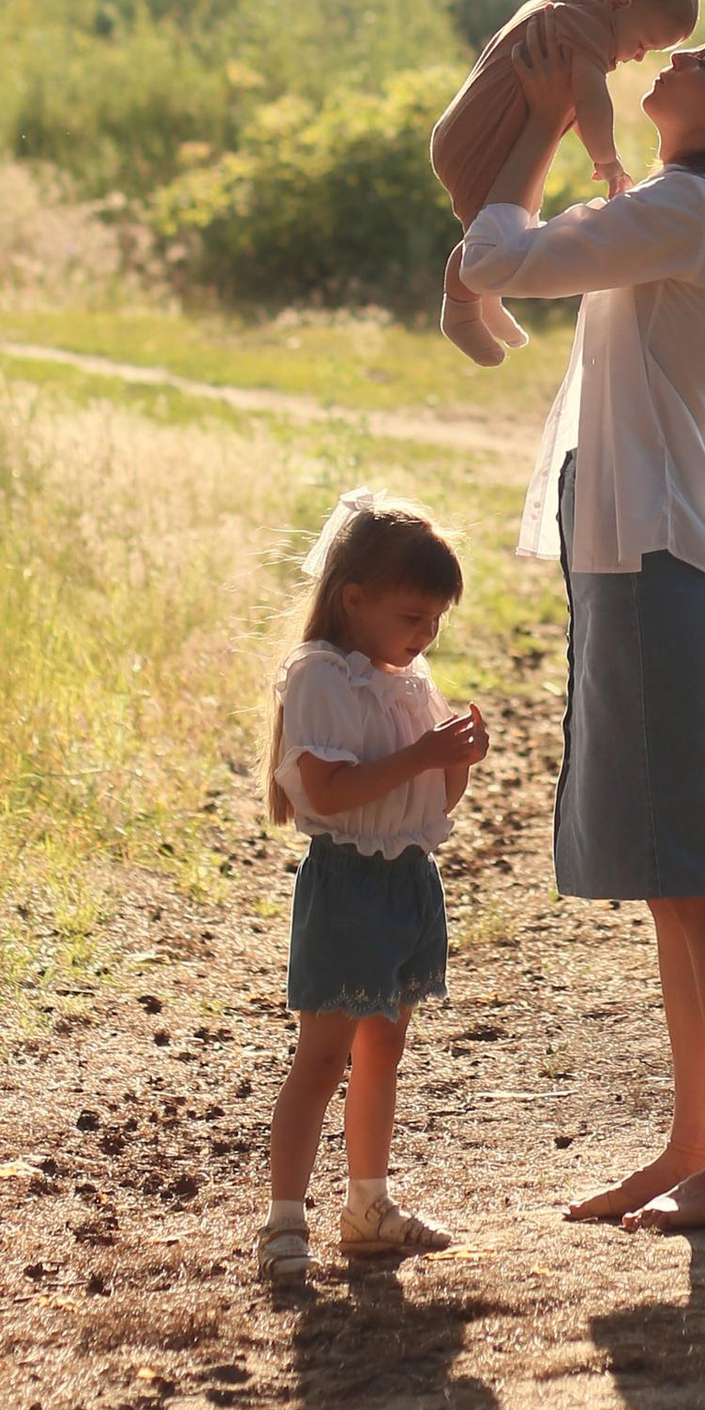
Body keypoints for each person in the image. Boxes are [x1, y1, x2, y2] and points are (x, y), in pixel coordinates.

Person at [457, 17, 705, 1233]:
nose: (673, 65)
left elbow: (493, 260)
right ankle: (698, 1140)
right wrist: (591, 138)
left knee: (701, 876)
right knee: (676, 880)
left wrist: (537, 138)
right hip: (639, 559)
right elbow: (585, 238)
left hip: (662, 560)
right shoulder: (690, 207)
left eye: (702, 64)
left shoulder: (696, 212)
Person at [260, 491, 489, 1291]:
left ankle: (368, 1207)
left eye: (435, 622)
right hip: (349, 883)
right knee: (321, 1056)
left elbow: (432, 804)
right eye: (411, 616)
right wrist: (423, 755)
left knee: (384, 1047)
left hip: (406, 882)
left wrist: (454, 759)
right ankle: (286, 1220)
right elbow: (328, 789)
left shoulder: (405, 677)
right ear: (353, 599)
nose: (424, 636)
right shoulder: (321, 677)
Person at [429, 0, 701, 368]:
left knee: (508, 219)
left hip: (474, 131)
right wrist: (607, 161)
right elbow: (591, 99)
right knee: (499, 229)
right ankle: (460, 311)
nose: (634, 58)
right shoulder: (586, 25)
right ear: (618, 3)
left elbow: (568, 101)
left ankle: (485, 297)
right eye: (641, 45)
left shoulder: (569, 7)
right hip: (481, 137)